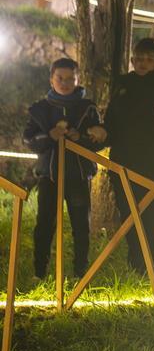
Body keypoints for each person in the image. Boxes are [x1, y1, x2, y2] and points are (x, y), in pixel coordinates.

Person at [105, 38, 154, 274]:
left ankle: (149, 263)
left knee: (153, 216)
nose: (143, 63)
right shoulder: (122, 88)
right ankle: (136, 264)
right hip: (123, 162)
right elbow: (112, 122)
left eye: (149, 59)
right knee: (128, 214)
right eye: (139, 59)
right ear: (132, 60)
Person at [24, 58, 106, 279]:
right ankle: (39, 272)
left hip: (78, 176)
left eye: (71, 78)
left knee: (81, 225)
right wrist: (50, 136)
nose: (65, 82)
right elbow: (29, 140)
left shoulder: (87, 108)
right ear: (51, 79)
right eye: (60, 78)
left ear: (78, 79)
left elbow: (99, 140)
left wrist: (81, 137)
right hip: (49, 176)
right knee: (44, 225)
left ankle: (81, 272)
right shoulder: (40, 109)